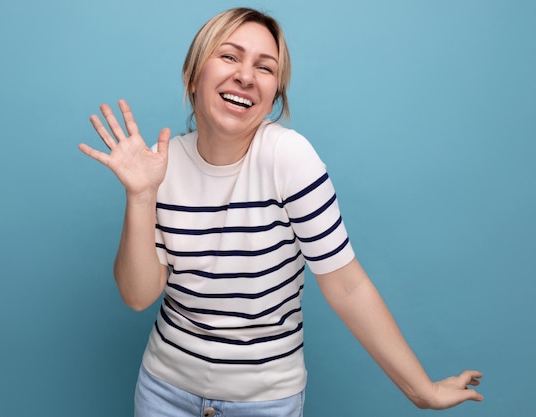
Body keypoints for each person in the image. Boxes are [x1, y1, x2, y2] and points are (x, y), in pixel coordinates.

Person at [78, 7, 483, 417]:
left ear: (274, 96)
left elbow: (347, 286)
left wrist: (422, 392)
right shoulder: (162, 166)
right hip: (163, 392)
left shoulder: (289, 157)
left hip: (264, 403)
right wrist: (142, 196)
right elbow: (137, 296)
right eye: (230, 56)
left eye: (265, 67)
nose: (246, 76)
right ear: (192, 76)